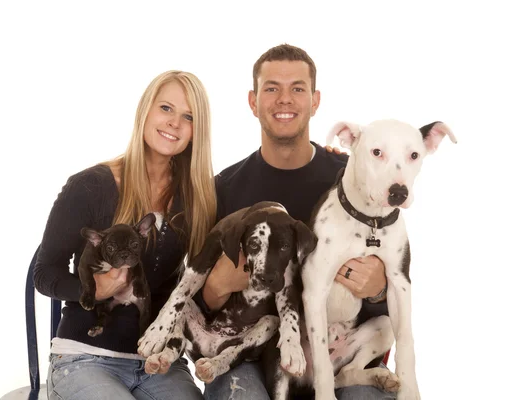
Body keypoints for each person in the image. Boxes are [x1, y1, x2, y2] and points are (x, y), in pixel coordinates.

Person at [195, 44, 393, 400]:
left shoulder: (350, 179)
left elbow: (394, 275)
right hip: (250, 357)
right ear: (253, 101)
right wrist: (216, 288)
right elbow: (200, 303)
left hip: (341, 353)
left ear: (315, 101)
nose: (284, 99)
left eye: (297, 88)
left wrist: (377, 287)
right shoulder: (223, 190)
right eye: (272, 88)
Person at [33, 70, 216, 400]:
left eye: (188, 116)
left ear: (197, 130)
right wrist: (93, 289)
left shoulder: (198, 197)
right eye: (165, 108)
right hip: (84, 357)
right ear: (145, 110)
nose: (174, 122)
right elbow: (45, 273)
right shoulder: (90, 186)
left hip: (160, 362)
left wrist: (331, 158)